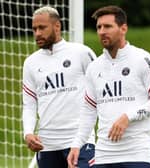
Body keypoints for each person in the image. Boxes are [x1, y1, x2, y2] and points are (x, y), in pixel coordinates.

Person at [67, 5, 150, 168]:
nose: (102, 31)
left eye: (108, 26)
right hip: (103, 157)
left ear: (123, 28)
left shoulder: (143, 59)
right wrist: (77, 144)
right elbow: (89, 111)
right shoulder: (94, 67)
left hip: (136, 155)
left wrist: (128, 116)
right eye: (99, 27)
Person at [22, 6, 96, 168]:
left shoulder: (81, 53)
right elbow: (29, 103)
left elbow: (100, 91)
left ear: (57, 26)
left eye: (42, 28)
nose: (37, 33)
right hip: (47, 145)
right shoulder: (30, 63)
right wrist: (27, 132)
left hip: (80, 141)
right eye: (34, 29)